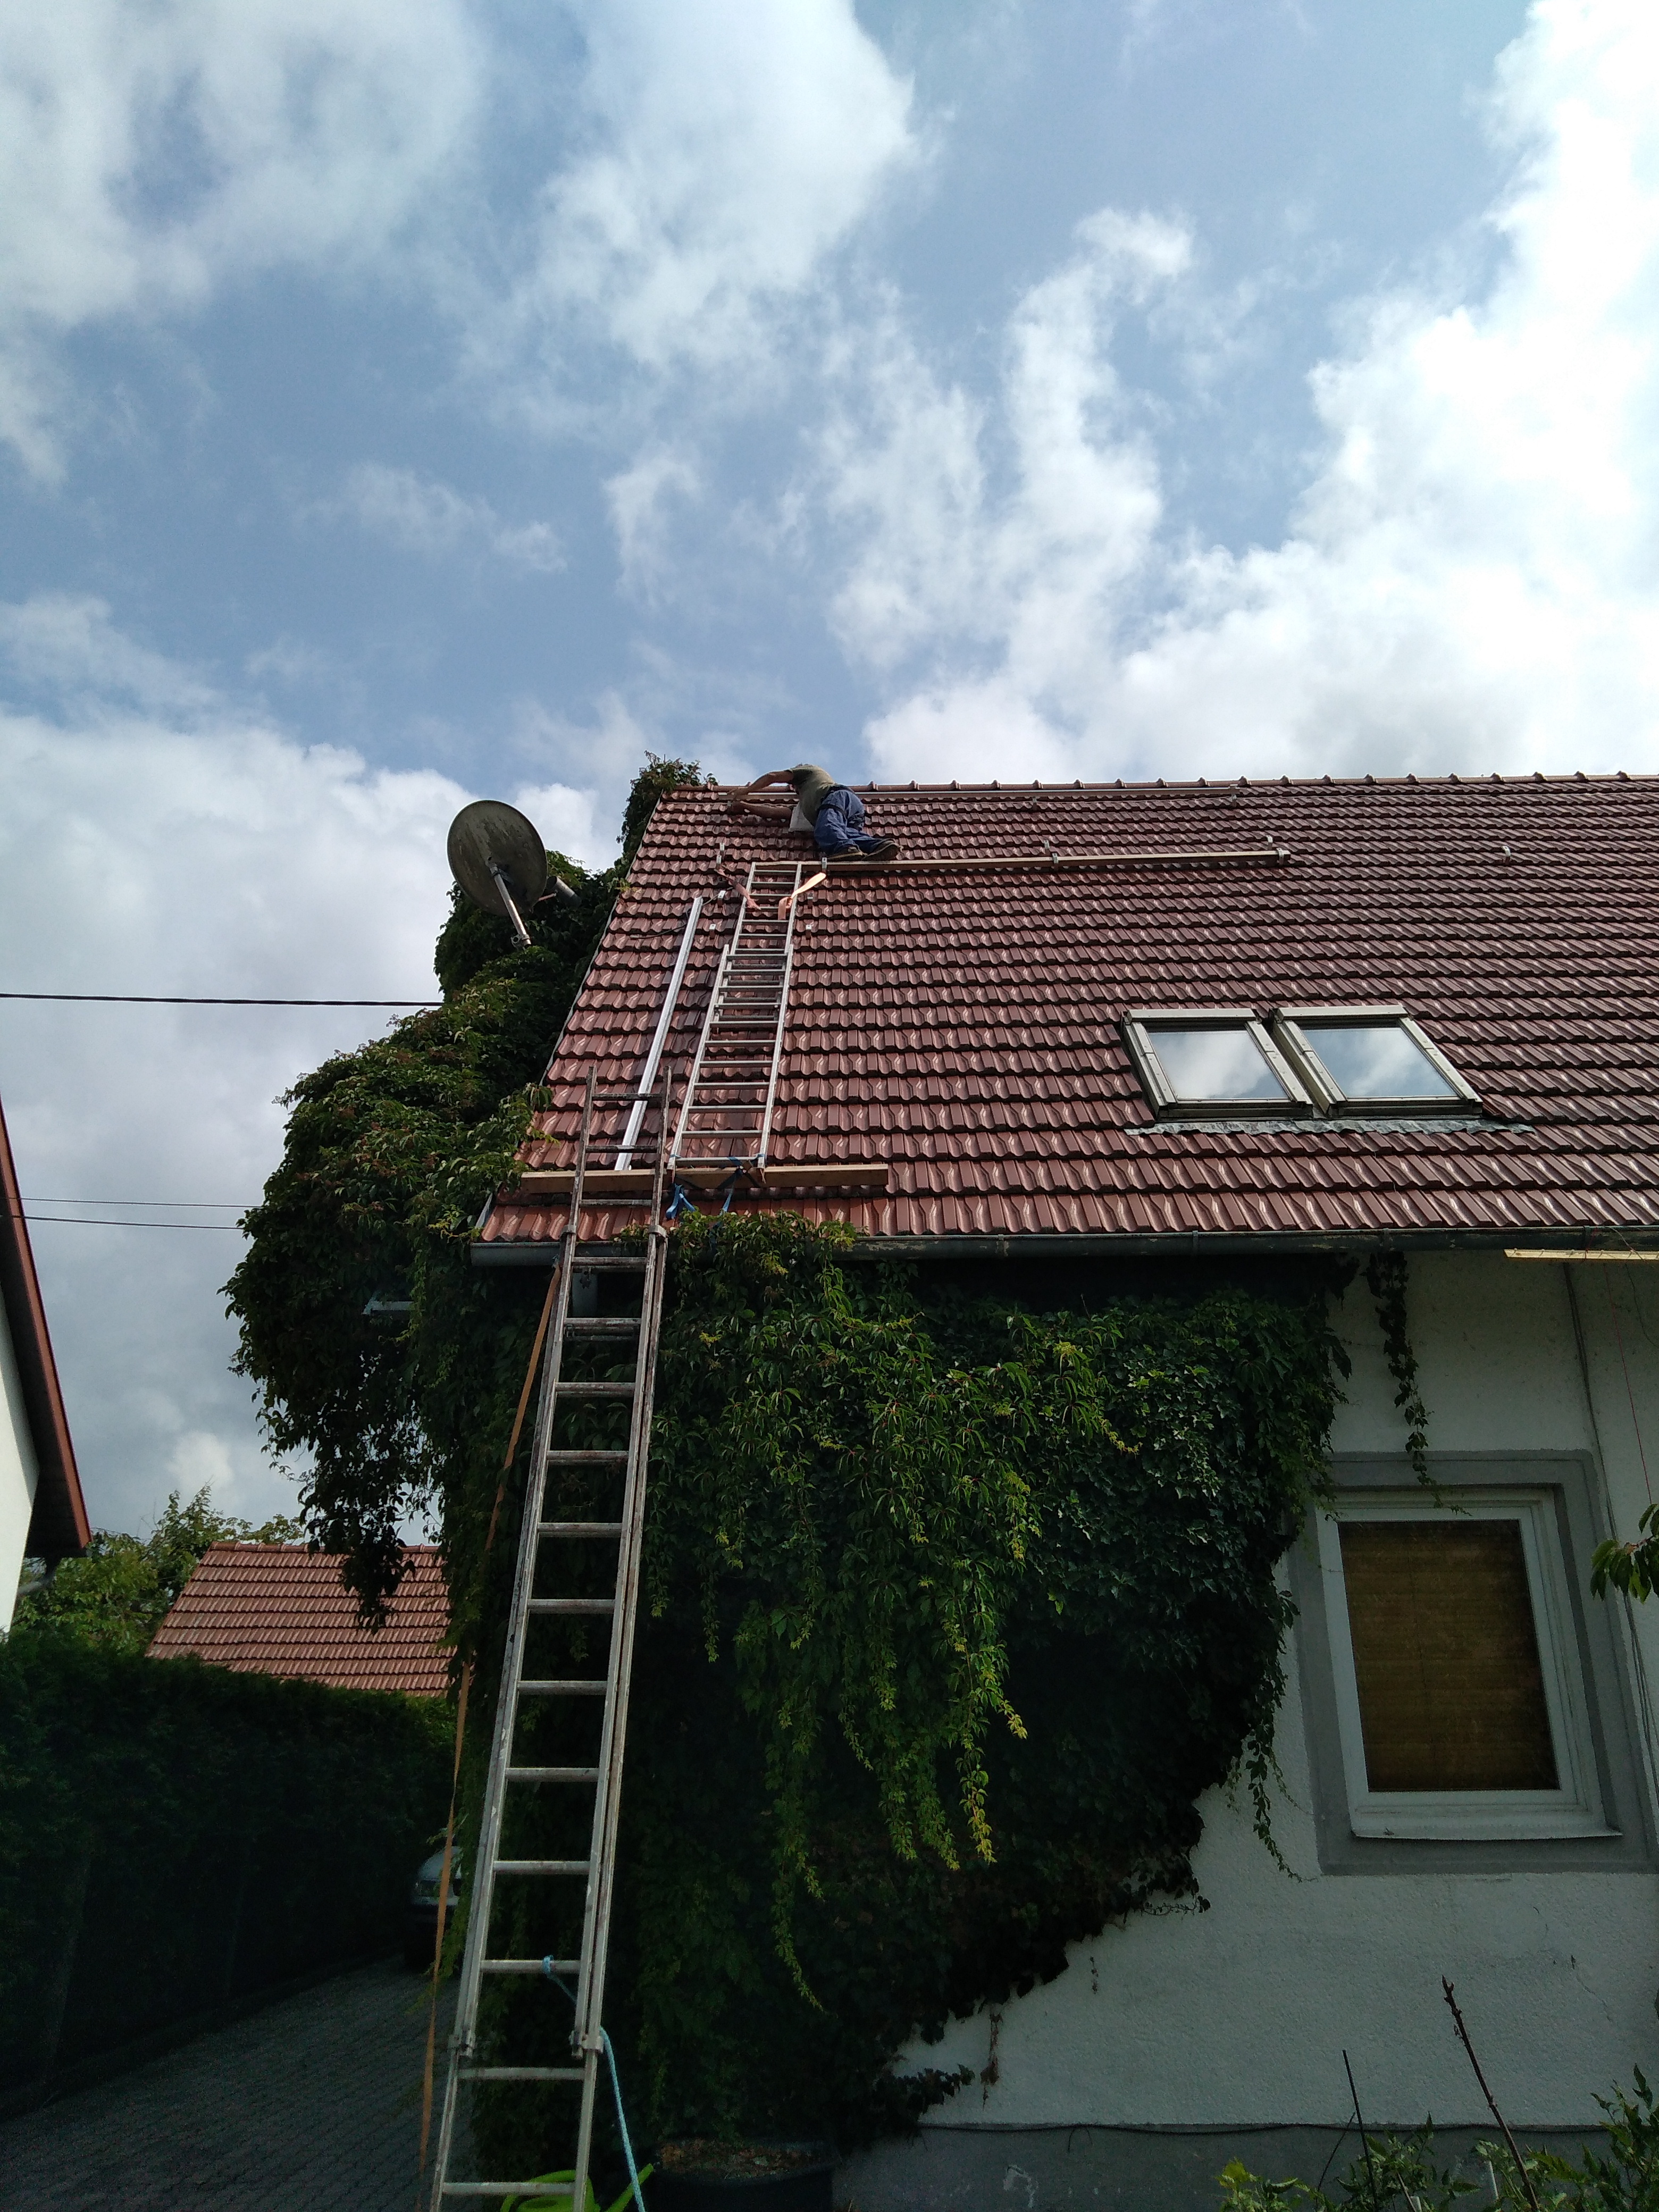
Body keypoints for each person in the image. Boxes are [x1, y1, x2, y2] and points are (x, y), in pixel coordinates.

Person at [733, 765, 899, 860]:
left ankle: (846, 850)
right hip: (850, 808)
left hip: (836, 797)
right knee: (844, 832)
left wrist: (745, 791)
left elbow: (772, 776)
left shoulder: (809, 772)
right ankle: (880, 846)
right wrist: (745, 806)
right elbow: (775, 813)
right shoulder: (806, 802)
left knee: (825, 828)